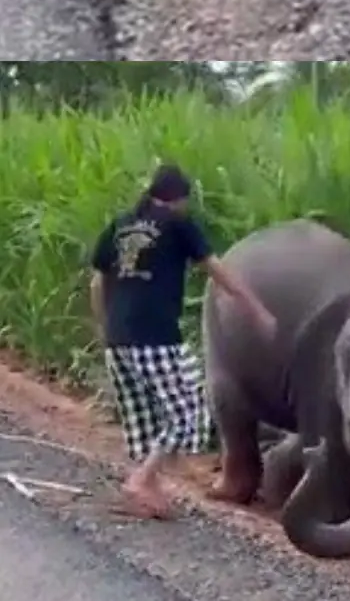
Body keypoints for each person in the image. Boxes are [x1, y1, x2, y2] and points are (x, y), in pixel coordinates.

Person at [89, 163, 277, 519]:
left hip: (118, 338)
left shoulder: (119, 224)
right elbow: (217, 270)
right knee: (190, 410)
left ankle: (151, 490)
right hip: (156, 337)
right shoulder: (177, 224)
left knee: (147, 416)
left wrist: (104, 327)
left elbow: (97, 282)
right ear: (179, 199)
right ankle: (142, 479)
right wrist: (257, 311)